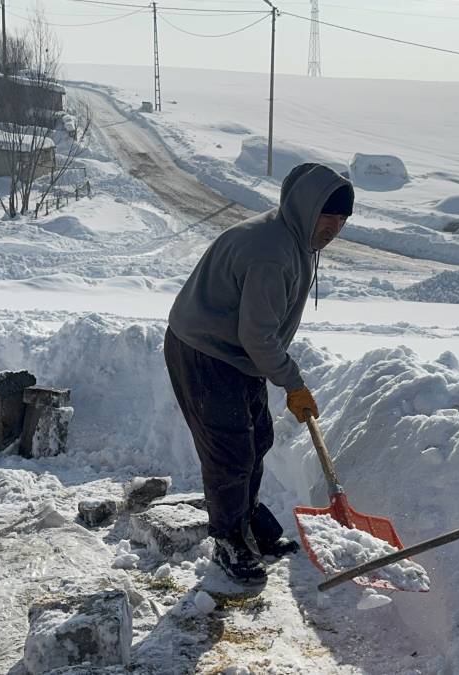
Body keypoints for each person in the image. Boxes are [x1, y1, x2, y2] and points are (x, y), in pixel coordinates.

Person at [163, 163, 354, 585]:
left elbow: (256, 335)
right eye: (329, 215)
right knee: (230, 451)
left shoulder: (294, 236)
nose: (335, 227)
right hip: (204, 351)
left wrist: (279, 372)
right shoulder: (273, 252)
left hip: (234, 351)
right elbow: (258, 335)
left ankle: (246, 519)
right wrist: (294, 383)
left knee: (258, 438)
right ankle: (230, 539)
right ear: (308, 208)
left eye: (342, 219)